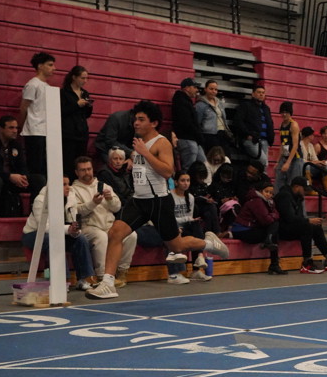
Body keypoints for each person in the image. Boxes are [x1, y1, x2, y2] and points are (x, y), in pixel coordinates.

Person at [85, 100, 229, 299]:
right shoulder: (139, 143)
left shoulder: (162, 143)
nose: (136, 123)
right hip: (139, 200)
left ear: (153, 123)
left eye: (141, 119)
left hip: (159, 202)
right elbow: (144, 169)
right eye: (135, 119)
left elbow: (168, 171)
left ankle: (208, 243)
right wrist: (132, 161)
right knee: (115, 233)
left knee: (177, 246)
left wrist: (144, 153)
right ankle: (108, 283)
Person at [22, 177, 96, 291]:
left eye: (68, 184)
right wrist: (68, 229)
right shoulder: (40, 200)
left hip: (59, 233)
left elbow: (74, 220)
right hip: (33, 234)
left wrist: (75, 230)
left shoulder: (71, 197)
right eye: (63, 184)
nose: (68, 187)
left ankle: (83, 279)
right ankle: (61, 281)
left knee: (81, 239)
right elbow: (44, 227)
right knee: (54, 240)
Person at [72, 156, 136, 288]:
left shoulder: (104, 186)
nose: (87, 172)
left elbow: (117, 207)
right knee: (101, 237)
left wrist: (110, 199)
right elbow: (76, 211)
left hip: (108, 225)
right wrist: (93, 203)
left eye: (89, 169)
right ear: (77, 172)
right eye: (83, 170)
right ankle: (102, 276)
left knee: (131, 235)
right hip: (89, 226)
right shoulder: (74, 190)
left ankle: (121, 272)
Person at [275, 176, 327, 273]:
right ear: (296, 187)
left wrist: (307, 221)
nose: (306, 192)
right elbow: (289, 218)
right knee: (307, 226)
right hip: (281, 228)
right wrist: (308, 221)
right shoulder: (284, 196)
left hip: (291, 226)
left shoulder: (298, 197)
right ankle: (307, 263)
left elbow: (298, 217)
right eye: (304, 189)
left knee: (316, 227)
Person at [232, 180, 284, 275]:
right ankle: (274, 264)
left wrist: (272, 215)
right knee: (274, 226)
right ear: (260, 191)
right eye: (266, 191)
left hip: (251, 228)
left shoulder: (269, 202)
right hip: (242, 230)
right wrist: (273, 215)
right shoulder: (256, 201)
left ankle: (272, 257)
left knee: (274, 227)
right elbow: (266, 220)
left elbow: (277, 214)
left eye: (271, 193)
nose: (269, 194)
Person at [18, 51, 56, 178]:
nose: (53, 68)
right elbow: (24, 107)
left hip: (46, 131)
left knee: (45, 167)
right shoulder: (32, 85)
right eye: (50, 65)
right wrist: (20, 126)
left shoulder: (47, 86)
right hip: (34, 131)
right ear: (40, 66)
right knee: (35, 167)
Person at [59, 65, 93, 177]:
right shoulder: (64, 92)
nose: (85, 81)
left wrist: (89, 106)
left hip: (82, 132)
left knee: (81, 161)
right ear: (74, 77)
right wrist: (76, 105)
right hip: (68, 133)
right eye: (82, 78)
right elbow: (61, 112)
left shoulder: (85, 93)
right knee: (69, 162)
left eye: (86, 78)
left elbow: (87, 115)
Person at [233, 84, 274, 166]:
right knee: (263, 162)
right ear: (253, 94)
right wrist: (247, 134)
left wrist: (271, 138)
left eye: (263, 92)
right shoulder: (246, 106)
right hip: (252, 140)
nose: (261, 94)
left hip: (265, 141)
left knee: (256, 165)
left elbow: (270, 123)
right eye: (259, 92)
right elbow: (238, 121)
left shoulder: (266, 108)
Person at [171, 77, 206, 169]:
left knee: (201, 166)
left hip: (192, 139)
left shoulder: (184, 101)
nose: (197, 90)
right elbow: (187, 123)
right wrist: (198, 135)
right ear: (187, 88)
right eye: (194, 87)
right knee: (190, 168)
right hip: (187, 139)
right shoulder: (182, 102)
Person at [196, 79, 236, 155]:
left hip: (222, 133)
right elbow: (198, 122)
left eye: (215, 89)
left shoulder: (219, 103)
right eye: (211, 89)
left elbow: (223, 118)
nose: (213, 91)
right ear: (205, 89)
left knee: (226, 157)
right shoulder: (200, 105)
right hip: (209, 135)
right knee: (213, 156)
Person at [274, 102, 303, 192]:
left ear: (290, 113)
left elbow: (295, 145)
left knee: (294, 184)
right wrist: (278, 161)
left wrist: (288, 163)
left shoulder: (293, 125)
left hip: (296, 158)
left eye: (286, 112)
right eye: (282, 112)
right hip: (286, 156)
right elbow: (282, 144)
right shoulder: (281, 125)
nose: (284, 114)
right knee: (278, 181)